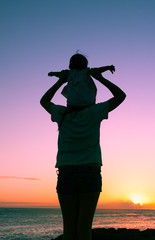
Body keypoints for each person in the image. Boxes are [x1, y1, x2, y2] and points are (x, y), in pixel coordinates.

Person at [40, 53, 126, 240]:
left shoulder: (61, 112)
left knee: (69, 229)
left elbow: (43, 101)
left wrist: (60, 81)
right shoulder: (94, 112)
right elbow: (121, 96)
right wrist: (99, 77)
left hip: (66, 173)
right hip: (90, 172)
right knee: (84, 229)